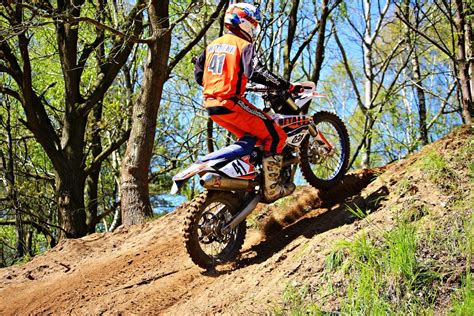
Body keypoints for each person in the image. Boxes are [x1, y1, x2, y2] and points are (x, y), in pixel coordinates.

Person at [194, 2, 303, 202]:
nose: (255, 28)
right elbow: (259, 72)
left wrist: (231, 80)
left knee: (254, 139)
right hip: (231, 103)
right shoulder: (243, 45)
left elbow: (199, 75)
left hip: (212, 105)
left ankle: (249, 179)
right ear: (245, 22)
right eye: (254, 23)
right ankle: (272, 189)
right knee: (276, 135)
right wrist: (286, 85)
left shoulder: (212, 46)